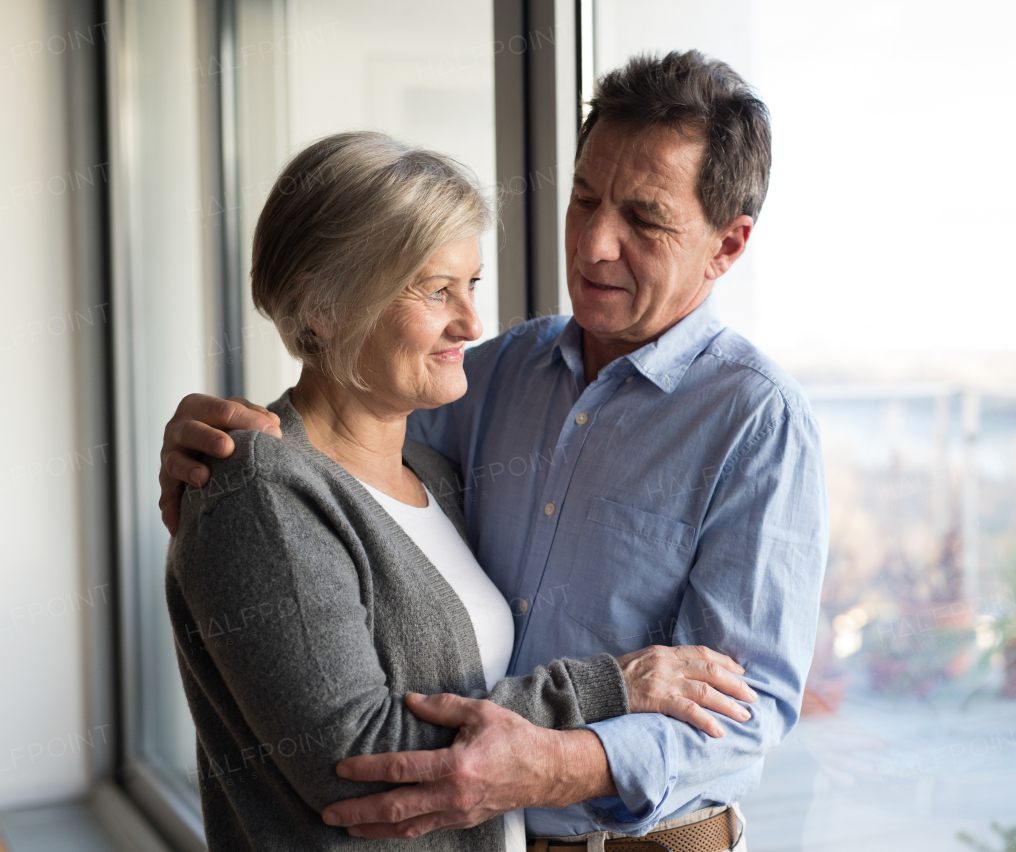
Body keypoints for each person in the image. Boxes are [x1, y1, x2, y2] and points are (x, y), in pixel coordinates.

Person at [160, 51, 828, 851]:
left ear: (727, 245)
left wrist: (553, 763)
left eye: (643, 221)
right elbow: (337, 444)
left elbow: (741, 707)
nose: (593, 246)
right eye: (584, 199)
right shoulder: (493, 375)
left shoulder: (757, 422)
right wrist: (214, 452)